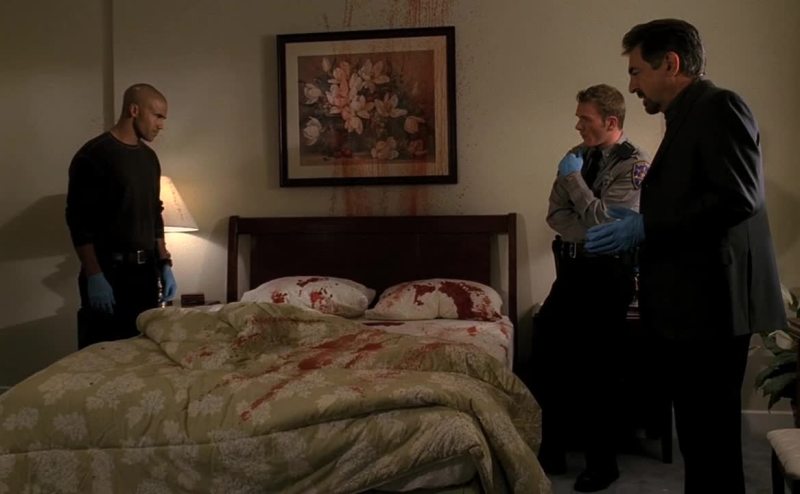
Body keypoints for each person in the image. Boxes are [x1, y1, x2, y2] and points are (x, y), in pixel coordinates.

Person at [585, 19, 787, 494]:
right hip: (697, 307)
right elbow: (695, 198)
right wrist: (643, 223)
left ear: (670, 64)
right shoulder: (688, 114)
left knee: (711, 441)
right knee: (700, 440)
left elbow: (738, 197)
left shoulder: (719, 106)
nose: (632, 86)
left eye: (636, 71)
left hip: (713, 309)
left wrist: (647, 226)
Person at [529, 84, 650, 492]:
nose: (577, 125)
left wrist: (575, 182)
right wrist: (589, 217)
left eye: (585, 118)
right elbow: (555, 215)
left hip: (607, 275)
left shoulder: (633, 163)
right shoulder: (577, 155)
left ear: (610, 121)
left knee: (600, 368)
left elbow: (609, 223)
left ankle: (603, 464)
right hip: (571, 271)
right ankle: (553, 449)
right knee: (548, 354)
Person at [66, 83, 178, 349]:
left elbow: (154, 213)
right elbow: (78, 220)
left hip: (145, 275)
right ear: (134, 110)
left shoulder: (149, 158)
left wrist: (164, 263)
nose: (161, 125)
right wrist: (94, 274)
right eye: (157, 116)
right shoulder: (94, 154)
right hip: (109, 273)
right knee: (103, 354)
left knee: (143, 352)